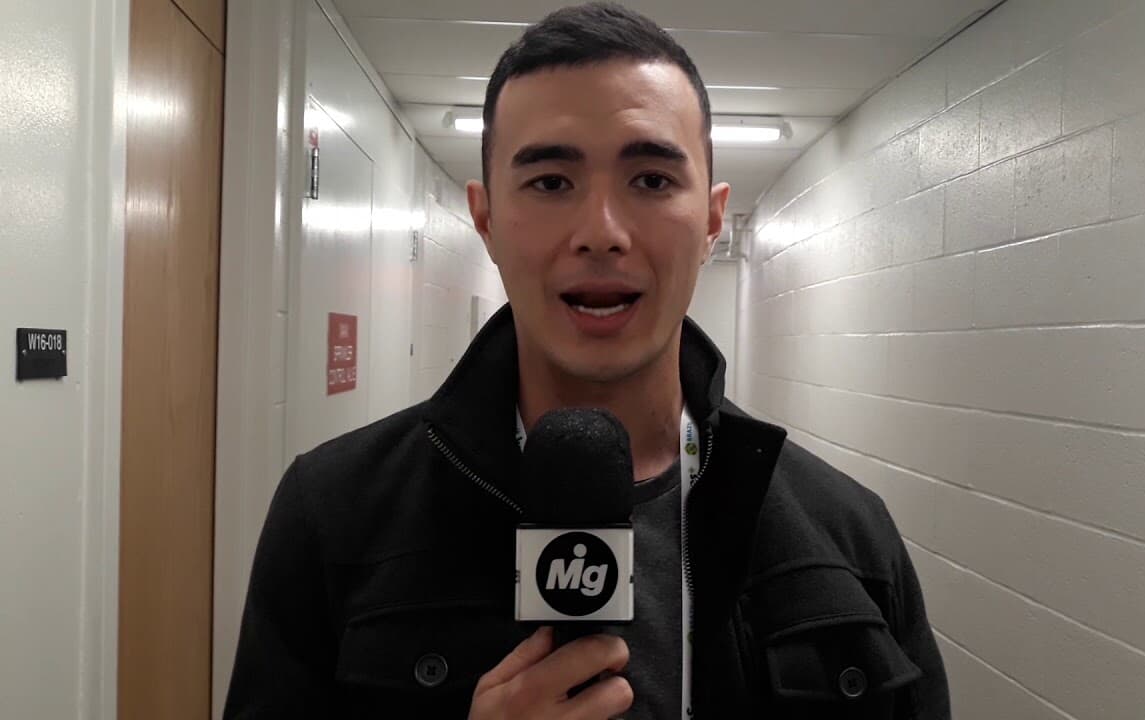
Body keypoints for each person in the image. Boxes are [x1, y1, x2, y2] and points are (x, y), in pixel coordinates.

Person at [223, 3, 950, 718]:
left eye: (652, 180)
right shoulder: (333, 514)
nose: (601, 233)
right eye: (550, 183)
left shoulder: (847, 534)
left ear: (711, 219)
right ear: (485, 219)